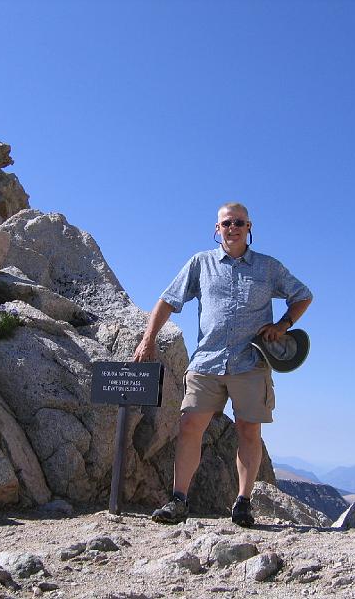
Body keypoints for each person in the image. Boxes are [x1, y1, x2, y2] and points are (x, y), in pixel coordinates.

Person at [133, 202, 312, 526]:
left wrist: (283, 325)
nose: (232, 228)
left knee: (248, 429)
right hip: (208, 360)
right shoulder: (200, 263)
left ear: (249, 228)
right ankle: (179, 501)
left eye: (239, 223)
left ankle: (243, 503)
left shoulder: (268, 267)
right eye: (226, 223)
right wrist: (148, 339)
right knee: (189, 427)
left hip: (251, 360)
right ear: (217, 229)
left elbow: (302, 294)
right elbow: (168, 300)